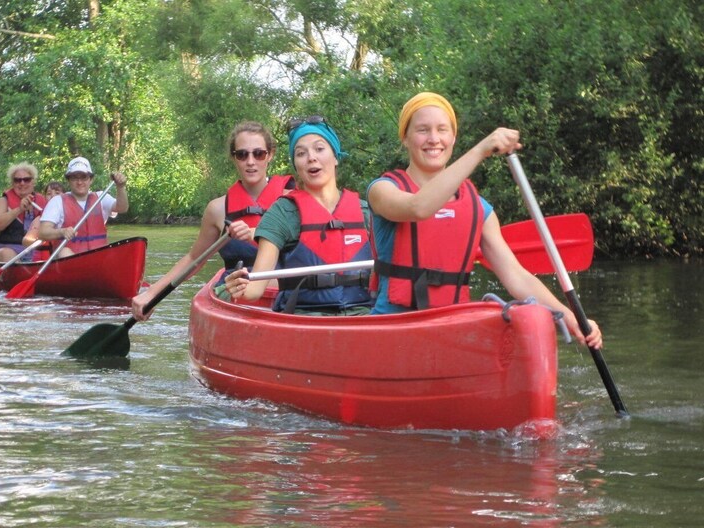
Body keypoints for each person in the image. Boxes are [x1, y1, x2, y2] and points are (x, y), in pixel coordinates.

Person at [366, 91, 602, 348]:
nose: (434, 139)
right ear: (405, 138)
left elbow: (516, 276)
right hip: (393, 328)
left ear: (453, 137)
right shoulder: (382, 190)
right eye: (423, 130)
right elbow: (419, 208)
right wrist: (481, 150)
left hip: (452, 328)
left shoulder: (480, 209)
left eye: (442, 130)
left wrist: (567, 315)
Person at [131, 121, 295, 321]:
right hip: (236, 296)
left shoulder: (293, 201)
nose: (250, 161)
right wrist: (152, 293)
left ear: (270, 155)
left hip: (286, 293)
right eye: (242, 154)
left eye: (258, 154)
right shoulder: (217, 209)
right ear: (234, 158)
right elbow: (194, 259)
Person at [224, 116, 374, 315]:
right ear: (296, 164)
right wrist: (239, 287)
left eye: (319, 149)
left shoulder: (365, 212)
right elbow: (255, 290)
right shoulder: (281, 214)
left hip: (362, 315)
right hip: (304, 317)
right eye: (301, 153)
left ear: (335, 156)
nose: (311, 157)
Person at [38, 157, 128, 258]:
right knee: (65, 252)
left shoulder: (101, 197)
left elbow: (122, 208)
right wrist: (62, 232)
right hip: (69, 259)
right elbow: (42, 232)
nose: (79, 182)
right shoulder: (57, 201)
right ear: (68, 180)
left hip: (99, 257)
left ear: (91, 180)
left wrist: (120, 187)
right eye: (75, 178)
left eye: (84, 177)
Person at [0, 162, 48, 262]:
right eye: (17, 180)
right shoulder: (3, 201)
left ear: (33, 182)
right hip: (7, 250)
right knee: (5, 253)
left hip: (35, 252)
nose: (22, 183)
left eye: (27, 179)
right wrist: (19, 209)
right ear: (12, 183)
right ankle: (20, 271)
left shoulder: (42, 201)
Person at [22, 181, 65, 261]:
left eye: (57, 193)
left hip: (63, 258)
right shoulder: (40, 219)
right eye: (49, 193)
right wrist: (42, 239)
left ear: (65, 196)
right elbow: (26, 241)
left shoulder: (70, 217)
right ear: (45, 197)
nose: (53, 196)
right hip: (42, 263)